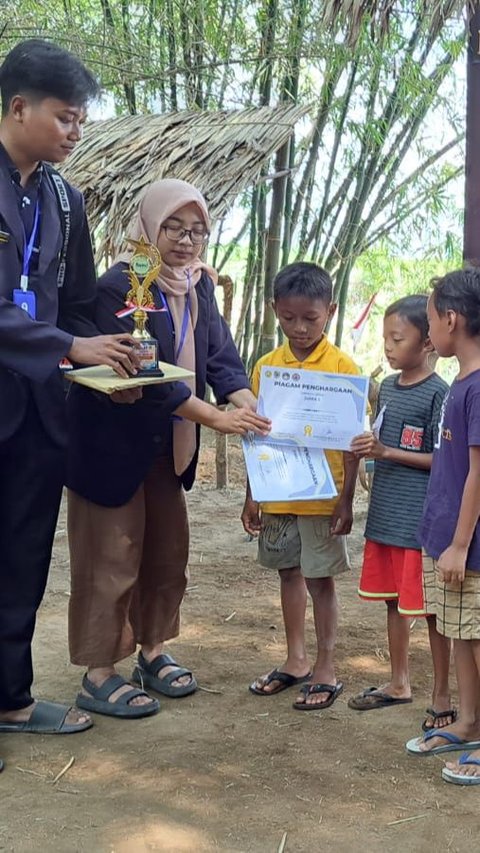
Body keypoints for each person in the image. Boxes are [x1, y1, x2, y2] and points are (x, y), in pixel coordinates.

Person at [66, 178, 270, 718]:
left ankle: (152, 650)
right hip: (110, 447)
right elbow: (147, 373)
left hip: (166, 448)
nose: (185, 240)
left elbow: (221, 356)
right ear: (149, 226)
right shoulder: (119, 286)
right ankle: (99, 670)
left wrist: (248, 406)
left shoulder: (197, 285)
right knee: (110, 558)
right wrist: (216, 418)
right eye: (173, 227)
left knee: (166, 554)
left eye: (197, 230)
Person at [0, 39, 143, 741]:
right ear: (18, 106)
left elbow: (79, 304)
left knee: (25, 553)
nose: (75, 131)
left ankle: (12, 698)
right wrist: (69, 345)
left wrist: (111, 362)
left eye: (81, 119)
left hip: (40, 411)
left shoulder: (65, 197)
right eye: (65, 116)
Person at [241, 262, 359, 710]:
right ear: (275, 311)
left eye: (310, 318)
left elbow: (352, 444)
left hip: (324, 498)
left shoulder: (344, 368)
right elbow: (256, 437)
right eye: (289, 318)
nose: (300, 327)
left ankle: (326, 665)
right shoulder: (267, 368)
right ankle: (295, 659)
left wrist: (346, 501)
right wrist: (252, 496)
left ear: (329, 311)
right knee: (288, 572)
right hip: (278, 493)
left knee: (320, 579)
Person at [348, 296, 451, 724]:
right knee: (393, 603)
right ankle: (398, 681)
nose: (388, 348)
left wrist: (387, 452)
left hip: (418, 521)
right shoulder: (387, 387)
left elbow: (442, 459)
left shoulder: (439, 393)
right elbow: (381, 441)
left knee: (431, 611)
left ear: (427, 343)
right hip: (386, 514)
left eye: (397, 338)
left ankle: (442, 693)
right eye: (384, 339)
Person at [404, 269, 480, 785]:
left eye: (430, 320)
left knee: (478, 637)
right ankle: (470, 721)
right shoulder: (461, 382)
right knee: (459, 632)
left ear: (451, 319)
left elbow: (479, 469)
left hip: (469, 547)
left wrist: (457, 543)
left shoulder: (478, 387)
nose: (428, 332)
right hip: (450, 541)